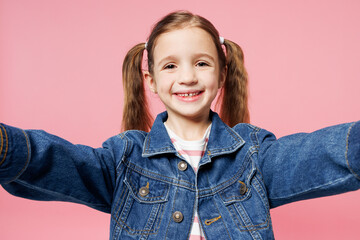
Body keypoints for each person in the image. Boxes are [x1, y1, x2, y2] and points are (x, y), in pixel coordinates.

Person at [0, 10, 359, 240]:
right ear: (151, 79)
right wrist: (6, 146)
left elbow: (318, 154)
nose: (187, 77)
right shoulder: (125, 158)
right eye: (171, 66)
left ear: (222, 75)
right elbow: (58, 162)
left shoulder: (251, 154)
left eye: (201, 63)